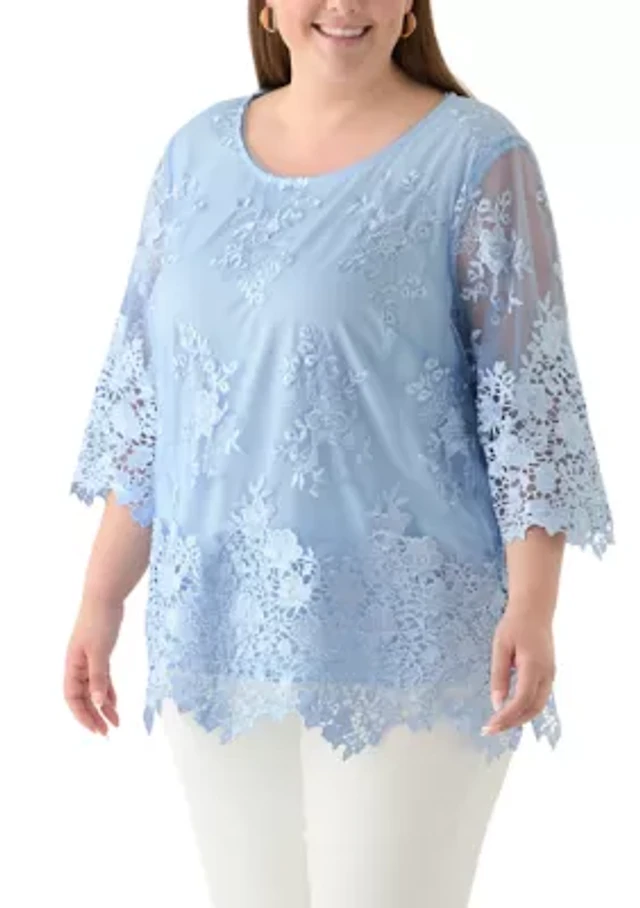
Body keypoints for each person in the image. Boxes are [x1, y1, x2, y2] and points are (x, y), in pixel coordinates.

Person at [64, 2, 614, 906]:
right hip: (216, 624)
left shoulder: (475, 157)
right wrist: (100, 597)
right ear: (267, 7)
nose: (344, 5)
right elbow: (146, 402)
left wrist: (534, 605)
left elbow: (529, 406)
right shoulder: (193, 158)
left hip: (409, 636)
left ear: (410, 8)